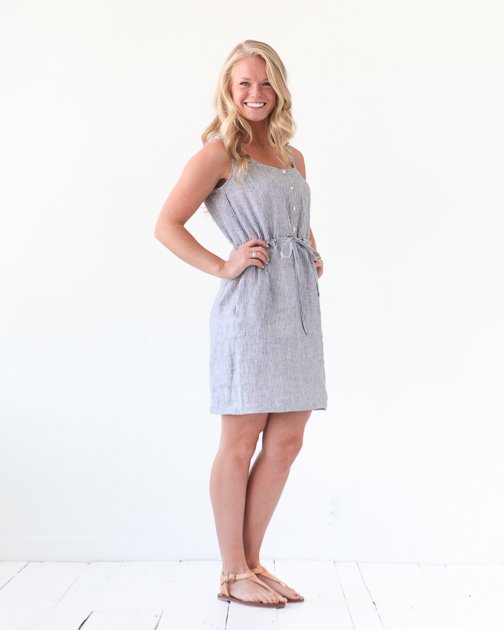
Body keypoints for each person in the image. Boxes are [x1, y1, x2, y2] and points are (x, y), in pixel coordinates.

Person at [154, 39, 328, 609]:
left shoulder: (293, 156)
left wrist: (310, 249)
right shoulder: (218, 154)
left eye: (265, 81)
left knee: (288, 439)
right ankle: (232, 571)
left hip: (297, 307)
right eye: (244, 83)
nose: (256, 93)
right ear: (229, 91)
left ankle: (251, 564)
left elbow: (297, 218)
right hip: (251, 308)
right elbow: (167, 224)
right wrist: (222, 265)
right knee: (241, 438)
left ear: (279, 88)